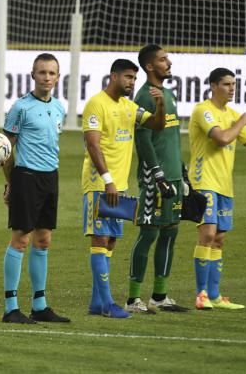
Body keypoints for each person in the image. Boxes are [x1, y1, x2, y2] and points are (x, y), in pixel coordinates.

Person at [82, 59, 164, 319]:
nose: (131, 82)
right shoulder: (97, 103)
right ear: (113, 76)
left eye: (134, 78)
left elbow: (156, 125)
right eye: (127, 77)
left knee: (111, 241)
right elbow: (93, 144)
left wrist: (160, 105)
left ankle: (98, 302)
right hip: (101, 184)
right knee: (100, 239)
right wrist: (107, 179)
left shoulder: (130, 107)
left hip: (121, 185)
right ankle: (107, 303)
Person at [188, 68, 246, 310]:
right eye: (226, 84)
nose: (232, 88)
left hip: (224, 185)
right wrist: (242, 121)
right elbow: (221, 138)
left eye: (233, 84)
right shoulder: (204, 111)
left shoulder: (232, 114)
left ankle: (214, 295)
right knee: (208, 234)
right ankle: (201, 295)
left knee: (219, 239)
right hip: (204, 182)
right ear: (213, 86)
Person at [0, 53, 70, 324]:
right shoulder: (21, 107)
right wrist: (11, 182)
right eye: (42, 73)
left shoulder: (59, 107)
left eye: (52, 73)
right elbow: (5, 149)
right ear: (33, 75)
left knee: (44, 240)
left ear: (58, 76)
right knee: (21, 240)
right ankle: (11, 307)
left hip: (50, 177)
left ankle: (39, 304)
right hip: (26, 178)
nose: (47, 78)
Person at [127, 45, 189, 314]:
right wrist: (157, 174)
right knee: (148, 233)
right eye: (163, 60)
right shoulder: (144, 97)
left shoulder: (167, 94)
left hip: (174, 175)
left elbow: (170, 138)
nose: (169, 62)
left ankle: (160, 296)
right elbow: (144, 140)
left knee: (170, 232)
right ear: (150, 66)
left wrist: (181, 172)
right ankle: (132, 299)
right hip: (156, 179)